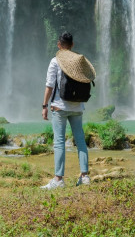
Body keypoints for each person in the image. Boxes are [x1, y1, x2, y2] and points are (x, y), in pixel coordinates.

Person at [41, 31, 96, 190]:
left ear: (59, 45)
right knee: (80, 141)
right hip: (77, 107)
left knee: (59, 142)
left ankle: (58, 179)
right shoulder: (79, 61)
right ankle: (84, 176)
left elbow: (49, 85)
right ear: (72, 45)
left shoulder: (55, 61)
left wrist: (44, 106)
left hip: (59, 106)